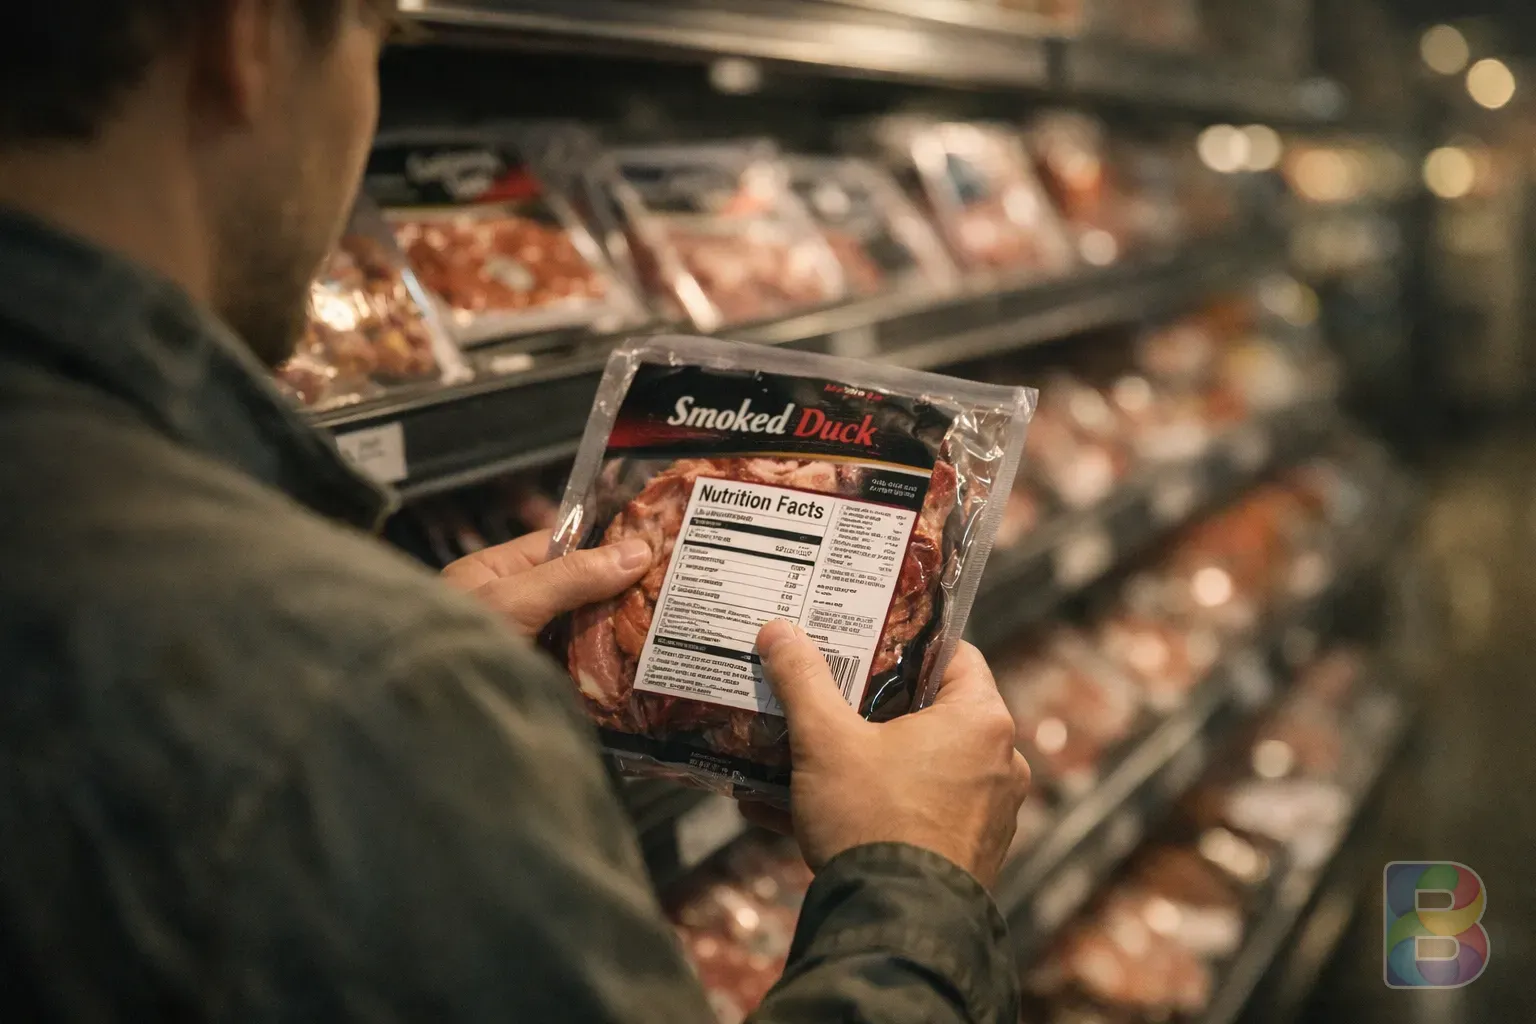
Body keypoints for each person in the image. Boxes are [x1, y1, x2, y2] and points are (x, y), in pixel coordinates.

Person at [0, 1, 1032, 1020]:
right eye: (381, 41)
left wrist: (410, 693)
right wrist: (916, 883)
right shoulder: (348, 688)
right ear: (252, 34)